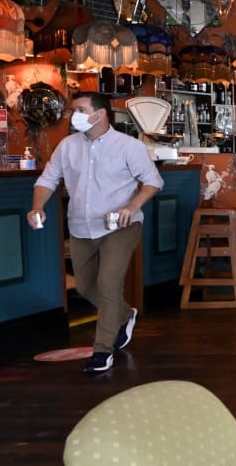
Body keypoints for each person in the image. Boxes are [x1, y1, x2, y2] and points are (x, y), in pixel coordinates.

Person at [29, 91, 163, 374]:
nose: (72, 115)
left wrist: (133, 205)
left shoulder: (128, 146)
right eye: (72, 110)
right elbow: (47, 180)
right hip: (81, 227)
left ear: (100, 114)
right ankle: (125, 315)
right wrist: (37, 206)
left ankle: (102, 351)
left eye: (79, 109)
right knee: (86, 287)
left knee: (108, 284)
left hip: (120, 226)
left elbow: (153, 181)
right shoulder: (67, 146)